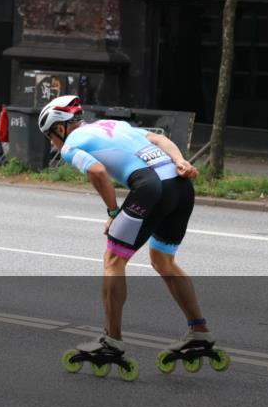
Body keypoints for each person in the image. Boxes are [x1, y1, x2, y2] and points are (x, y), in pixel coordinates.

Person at [37, 95, 216, 361]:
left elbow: (97, 172)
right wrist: (181, 161)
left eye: (50, 136)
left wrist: (113, 212)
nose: (52, 143)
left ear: (60, 128)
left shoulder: (70, 145)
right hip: (179, 186)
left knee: (113, 260)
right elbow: (160, 140)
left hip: (151, 188)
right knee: (163, 260)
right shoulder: (113, 125)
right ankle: (199, 331)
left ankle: (112, 341)